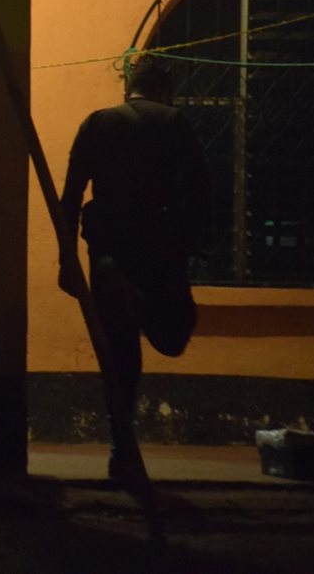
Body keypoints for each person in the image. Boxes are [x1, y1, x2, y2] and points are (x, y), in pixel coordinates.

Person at [57, 56, 211, 482]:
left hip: (107, 253)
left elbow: (69, 196)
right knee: (175, 332)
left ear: (130, 86)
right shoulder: (174, 123)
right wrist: (188, 243)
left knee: (120, 357)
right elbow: (200, 189)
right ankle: (142, 304)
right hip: (157, 250)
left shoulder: (96, 123)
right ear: (164, 91)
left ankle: (120, 448)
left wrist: (66, 260)